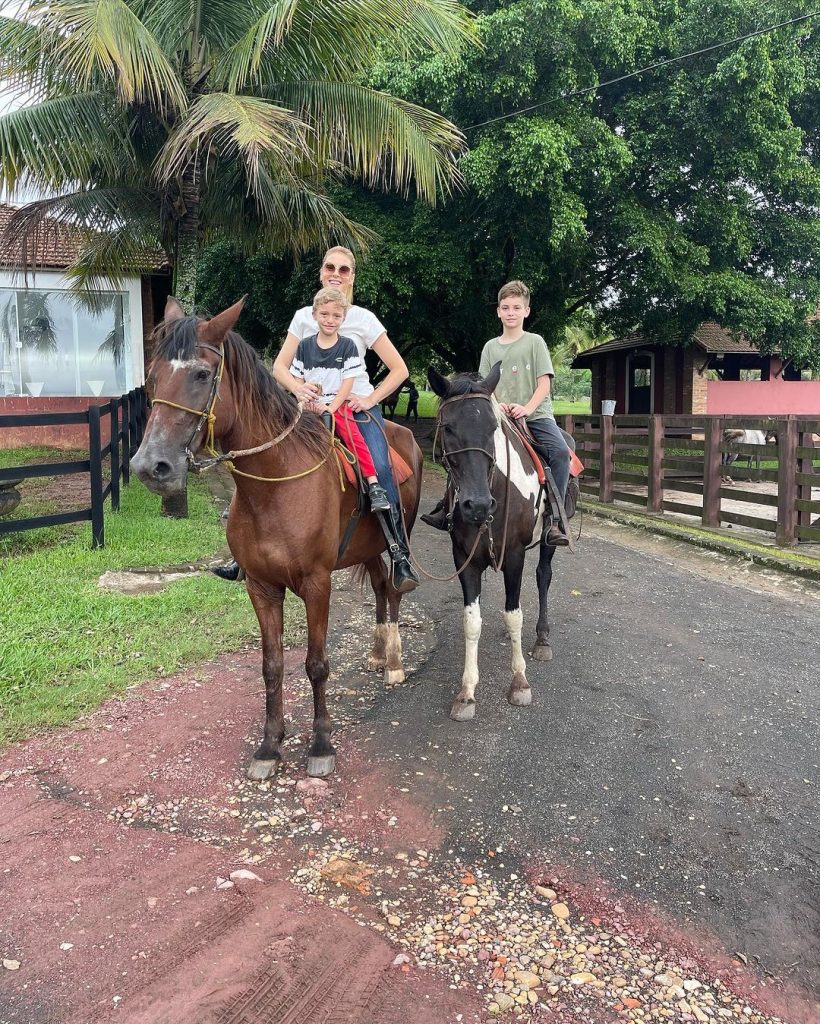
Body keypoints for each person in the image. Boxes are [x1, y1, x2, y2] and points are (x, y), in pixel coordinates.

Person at [213, 245, 419, 591]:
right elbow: (280, 366)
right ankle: (243, 553)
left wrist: (368, 398)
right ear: (321, 272)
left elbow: (400, 370)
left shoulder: (364, 320)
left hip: (353, 409)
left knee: (382, 469)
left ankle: (399, 554)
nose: (336, 274)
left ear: (353, 277)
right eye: (330, 268)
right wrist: (299, 388)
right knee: (259, 459)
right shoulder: (304, 317)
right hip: (307, 410)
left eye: (344, 269)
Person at [423, 280, 571, 547]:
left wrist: (526, 408)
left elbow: (544, 383)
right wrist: (498, 404)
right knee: (466, 447)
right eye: (506, 307)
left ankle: (554, 519)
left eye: (516, 307)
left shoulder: (535, 342)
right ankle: (446, 506)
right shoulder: (491, 347)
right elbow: (483, 386)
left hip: (535, 416)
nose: (511, 312)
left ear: (526, 311)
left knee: (560, 453)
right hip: (499, 414)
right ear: (498, 312)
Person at [289, 287, 390, 512]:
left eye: (336, 316)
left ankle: (373, 484)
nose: (330, 320)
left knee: (353, 436)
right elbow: (296, 373)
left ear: (343, 319)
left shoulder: (347, 346)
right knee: (279, 430)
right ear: (314, 315)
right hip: (310, 404)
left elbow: (348, 382)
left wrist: (331, 408)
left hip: (336, 404)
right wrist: (302, 390)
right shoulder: (305, 345)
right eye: (324, 314)